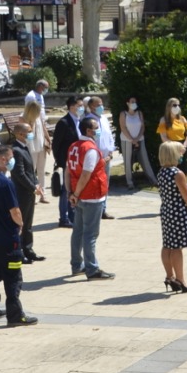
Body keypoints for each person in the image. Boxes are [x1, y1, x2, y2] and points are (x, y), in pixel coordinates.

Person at [0, 143, 36, 326]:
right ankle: (15, 316)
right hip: (8, 240)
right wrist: (21, 225)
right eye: (11, 157)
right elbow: (15, 211)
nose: (12, 160)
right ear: (3, 159)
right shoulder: (5, 183)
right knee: (13, 278)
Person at [66, 115, 114, 280]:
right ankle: (92, 269)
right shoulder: (90, 149)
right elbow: (86, 175)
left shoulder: (74, 146)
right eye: (95, 127)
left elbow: (68, 171)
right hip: (91, 195)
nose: (97, 129)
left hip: (78, 195)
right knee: (90, 234)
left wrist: (70, 193)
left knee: (77, 231)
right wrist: (76, 194)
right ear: (88, 130)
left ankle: (76, 265)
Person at [156, 140, 187, 293]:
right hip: (179, 212)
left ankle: (169, 276)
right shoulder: (177, 174)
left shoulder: (162, 172)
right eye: (179, 152)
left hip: (166, 211)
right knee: (177, 248)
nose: (181, 155)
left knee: (167, 245)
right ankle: (180, 279)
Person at [8, 121, 44, 263]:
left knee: (28, 224)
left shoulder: (25, 147)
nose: (31, 133)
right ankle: (19, 252)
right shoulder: (16, 150)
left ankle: (28, 249)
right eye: (29, 131)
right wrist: (33, 187)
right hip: (21, 192)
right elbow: (20, 174)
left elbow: (31, 171)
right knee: (20, 224)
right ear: (20, 134)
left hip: (29, 192)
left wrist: (36, 184)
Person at [50, 96, 83, 228]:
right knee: (65, 189)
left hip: (78, 161)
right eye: (79, 105)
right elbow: (56, 144)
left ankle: (73, 215)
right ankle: (63, 218)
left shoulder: (81, 121)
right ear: (71, 107)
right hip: (67, 162)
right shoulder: (64, 123)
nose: (81, 108)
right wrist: (60, 161)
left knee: (74, 188)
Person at [86, 97, 117, 219]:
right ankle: (94, 210)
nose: (101, 107)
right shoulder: (88, 120)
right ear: (91, 106)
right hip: (94, 157)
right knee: (94, 183)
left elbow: (109, 135)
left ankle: (103, 209)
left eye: (102, 104)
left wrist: (110, 151)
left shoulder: (103, 118)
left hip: (106, 156)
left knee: (105, 183)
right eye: (98, 105)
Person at [120, 96, 154, 190]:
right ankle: (129, 182)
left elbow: (142, 126)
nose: (134, 103)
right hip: (127, 140)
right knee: (128, 160)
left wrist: (138, 138)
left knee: (145, 158)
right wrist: (132, 139)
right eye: (132, 101)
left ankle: (153, 179)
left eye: (135, 101)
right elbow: (123, 127)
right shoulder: (124, 114)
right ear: (127, 103)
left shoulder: (139, 113)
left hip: (140, 139)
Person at [19, 100, 49, 208]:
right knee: (32, 170)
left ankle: (43, 194)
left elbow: (44, 127)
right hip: (31, 146)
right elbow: (24, 132)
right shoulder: (23, 117)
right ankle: (34, 193)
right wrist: (30, 122)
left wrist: (48, 139)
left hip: (41, 145)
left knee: (41, 170)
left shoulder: (39, 115)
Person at [23, 78, 50, 183]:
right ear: (41, 86)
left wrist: (47, 139)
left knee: (41, 169)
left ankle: (42, 192)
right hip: (32, 140)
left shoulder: (40, 96)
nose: (47, 90)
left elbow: (43, 123)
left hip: (40, 139)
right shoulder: (31, 96)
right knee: (32, 167)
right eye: (46, 87)